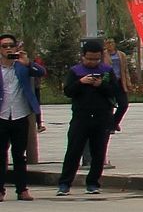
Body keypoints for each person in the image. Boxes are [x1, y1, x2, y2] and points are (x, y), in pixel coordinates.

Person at [53, 36, 127, 197]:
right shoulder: (75, 71)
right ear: (83, 56)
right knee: (74, 150)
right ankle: (65, 183)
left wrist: (101, 85)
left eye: (96, 59)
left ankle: (93, 183)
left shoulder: (106, 71)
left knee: (98, 152)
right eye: (89, 59)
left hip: (102, 117)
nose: (93, 62)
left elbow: (115, 91)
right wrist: (81, 82)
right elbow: (68, 91)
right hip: (81, 117)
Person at [0, 32, 41, 200]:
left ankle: (22, 189)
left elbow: (41, 72)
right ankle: (0, 190)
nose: (8, 48)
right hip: (1, 116)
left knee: (19, 155)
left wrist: (28, 62)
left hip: (20, 115)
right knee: (1, 154)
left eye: (11, 45)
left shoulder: (22, 66)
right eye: (4, 46)